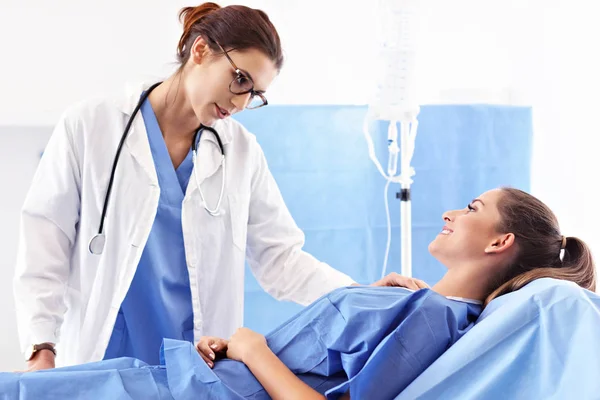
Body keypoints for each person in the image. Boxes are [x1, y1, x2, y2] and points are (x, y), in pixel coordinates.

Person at [12, 2, 414, 372]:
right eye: (239, 79)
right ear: (200, 50)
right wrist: (40, 345)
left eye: (255, 93)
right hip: (100, 358)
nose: (240, 103)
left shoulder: (241, 152)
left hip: (196, 367)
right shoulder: (91, 125)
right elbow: (46, 242)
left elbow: (282, 261)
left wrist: (359, 293)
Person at [3, 188, 594, 399]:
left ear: (500, 242)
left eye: (472, 208)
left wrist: (254, 347)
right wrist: (234, 349)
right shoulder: (415, 303)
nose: (449, 212)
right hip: (196, 378)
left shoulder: (437, 319)